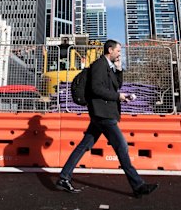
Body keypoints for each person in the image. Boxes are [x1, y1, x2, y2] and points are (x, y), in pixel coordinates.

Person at [56, 39, 159, 198]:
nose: (119, 54)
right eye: (118, 51)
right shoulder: (99, 65)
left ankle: (64, 177)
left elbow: (116, 86)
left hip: (103, 113)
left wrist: (119, 70)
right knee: (121, 146)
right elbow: (96, 89)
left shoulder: (109, 67)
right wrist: (118, 97)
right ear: (110, 50)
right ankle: (138, 185)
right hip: (103, 113)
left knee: (84, 146)